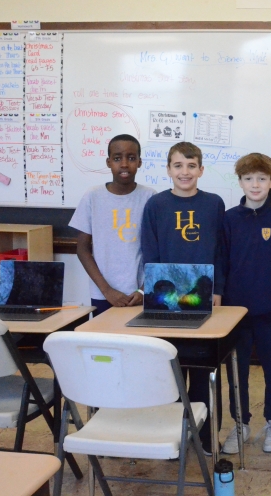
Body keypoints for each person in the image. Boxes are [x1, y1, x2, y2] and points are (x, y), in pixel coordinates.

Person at [141, 141, 226, 455]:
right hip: (167, 304)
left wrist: (217, 290)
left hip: (203, 299)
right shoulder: (156, 205)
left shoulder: (214, 203)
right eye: (178, 166)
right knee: (170, 372)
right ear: (168, 170)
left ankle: (204, 437)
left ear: (201, 170)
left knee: (202, 371)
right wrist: (156, 295)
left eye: (191, 166)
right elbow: (150, 252)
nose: (185, 172)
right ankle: (172, 436)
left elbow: (220, 250)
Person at [221, 153, 271, 455]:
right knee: (236, 373)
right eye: (249, 179)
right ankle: (241, 424)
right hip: (235, 314)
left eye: (262, 179)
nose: (255, 185)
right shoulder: (228, 219)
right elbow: (222, 262)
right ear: (240, 182)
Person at [70, 134, 156, 315]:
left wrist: (143, 289)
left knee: (139, 341)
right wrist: (107, 290)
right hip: (103, 294)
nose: (124, 164)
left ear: (140, 162)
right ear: (108, 162)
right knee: (105, 341)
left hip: (139, 294)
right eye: (117, 158)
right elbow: (82, 250)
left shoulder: (150, 197)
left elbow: (158, 250)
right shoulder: (93, 196)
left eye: (131, 158)